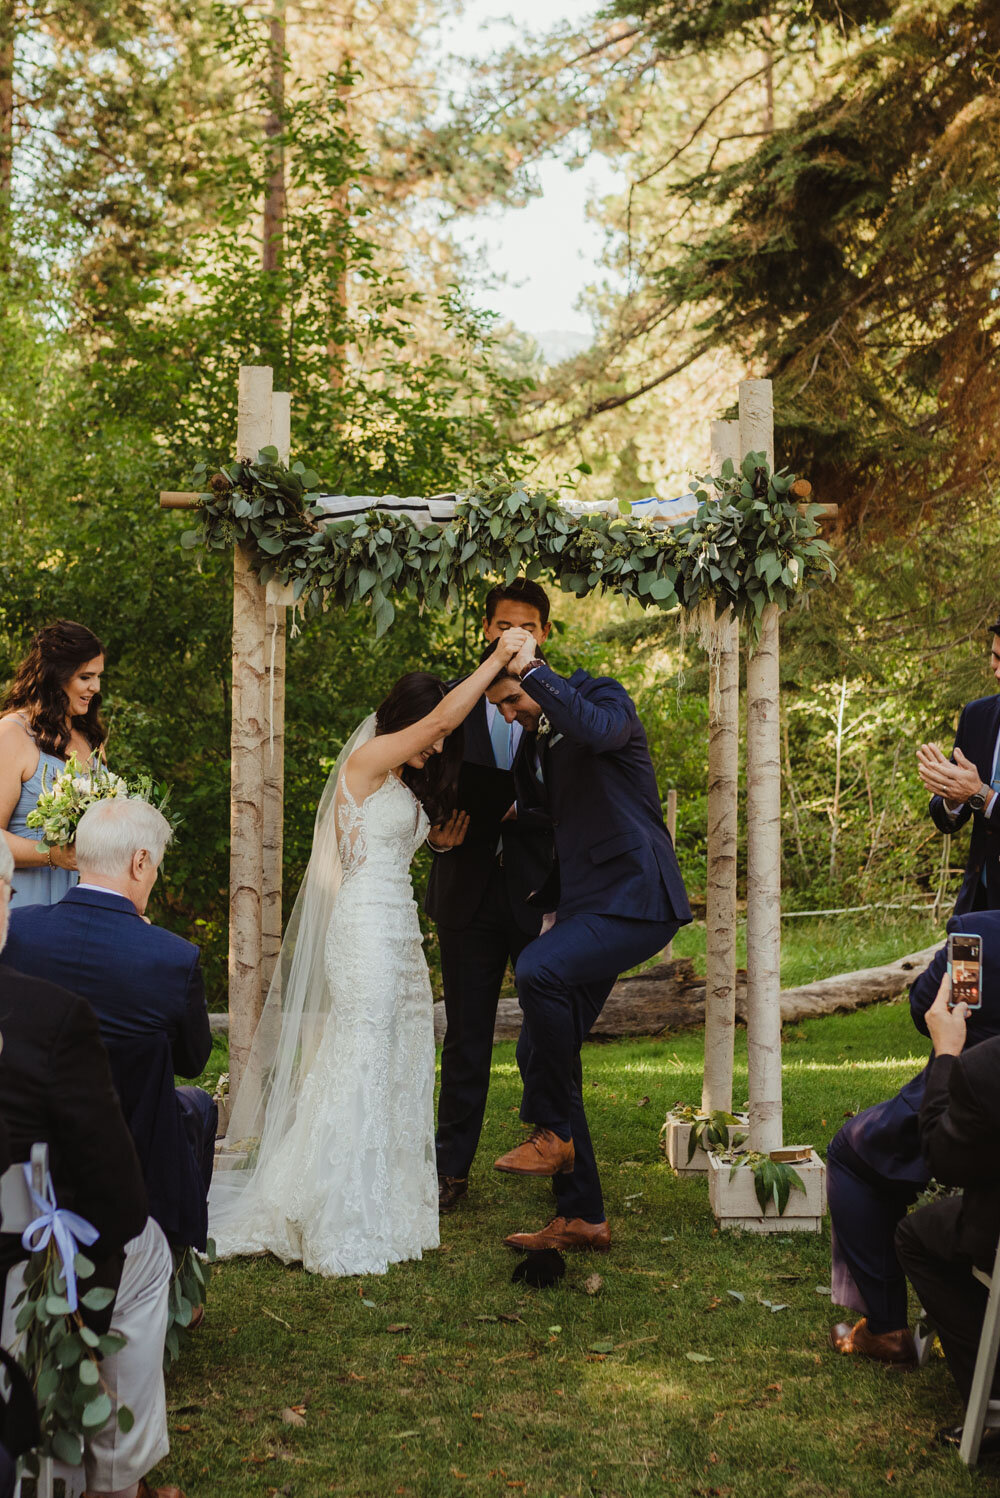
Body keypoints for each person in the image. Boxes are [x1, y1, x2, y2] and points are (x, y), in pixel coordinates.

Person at [209, 639, 528, 1278]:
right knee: (360, 1056)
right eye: (432, 733)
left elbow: (388, 846)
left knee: (400, 1055)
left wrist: (435, 844)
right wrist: (498, 660)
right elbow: (440, 723)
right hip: (361, 930)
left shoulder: (401, 781)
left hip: (401, 930)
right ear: (404, 718)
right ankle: (337, 1210)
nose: (437, 748)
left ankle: (389, 1203)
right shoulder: (366, 759)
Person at [484, 635, 692, 1252]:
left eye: (512, 698)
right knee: (539, 1052)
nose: (509, 714)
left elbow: (598, 733)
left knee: (538, 968)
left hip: (637, 893)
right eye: (499, 706)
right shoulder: (533, 743)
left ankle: (552, 1134)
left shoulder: (599, 695)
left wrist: (537, 675)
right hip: (584, 904)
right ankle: (583, 1216)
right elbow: (551, 814)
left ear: (538, 675)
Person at [0, 828, 182, 1498]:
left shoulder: (36, 956)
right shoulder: (49, 1016)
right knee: (146, 1248)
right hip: (14, 1262)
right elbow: (120, 1203)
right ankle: (115, 1477)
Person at [3, 797, 215, 1253]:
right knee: (198, 1104)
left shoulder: (15, 933)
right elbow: (192, 1061)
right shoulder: (172, 958)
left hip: (28, 1143)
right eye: (156, 866)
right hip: (133, 1150)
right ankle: (177, 1261)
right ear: (140, 862)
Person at [427, 579, 555, 1214]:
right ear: (485, 630)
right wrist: (437, 840)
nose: (513, 636)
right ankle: (451, 1172)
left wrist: (522, 813)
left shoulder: (567, 701)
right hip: (467, 894)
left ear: (544, 635)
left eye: (526, 628)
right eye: (504, 625)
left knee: (549, 1034)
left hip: (539, 895)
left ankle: (554, 1150)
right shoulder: (449, 703)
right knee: (466, 1038)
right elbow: (420, 785)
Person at [827, 908, 1000, 1367]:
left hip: (976, 1092)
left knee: (853, 1152)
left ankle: (885, 1329)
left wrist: (948, 1051)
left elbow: (927, 1007)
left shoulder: (979, 934)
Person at [896, 976, 1000, 1451]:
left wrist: (947, 1054)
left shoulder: (985, 1068)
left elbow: (943, 1158)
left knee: (917, 1234)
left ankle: (992, 1399)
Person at [0, 620, 107, 908]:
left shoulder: (91, 738)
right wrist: (52, 854)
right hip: (23, 907)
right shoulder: (12, 734)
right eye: (86, 677)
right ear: (55, 676)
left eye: (98, 677)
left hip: (82, 906)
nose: (95, 687)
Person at [917, 615, 1000, 913]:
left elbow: (978, 795)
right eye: (995, 656)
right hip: (976, 907)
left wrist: (981, 795)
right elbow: (948, 818)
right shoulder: (976, 716)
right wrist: (952, 798)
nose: (997, 671)